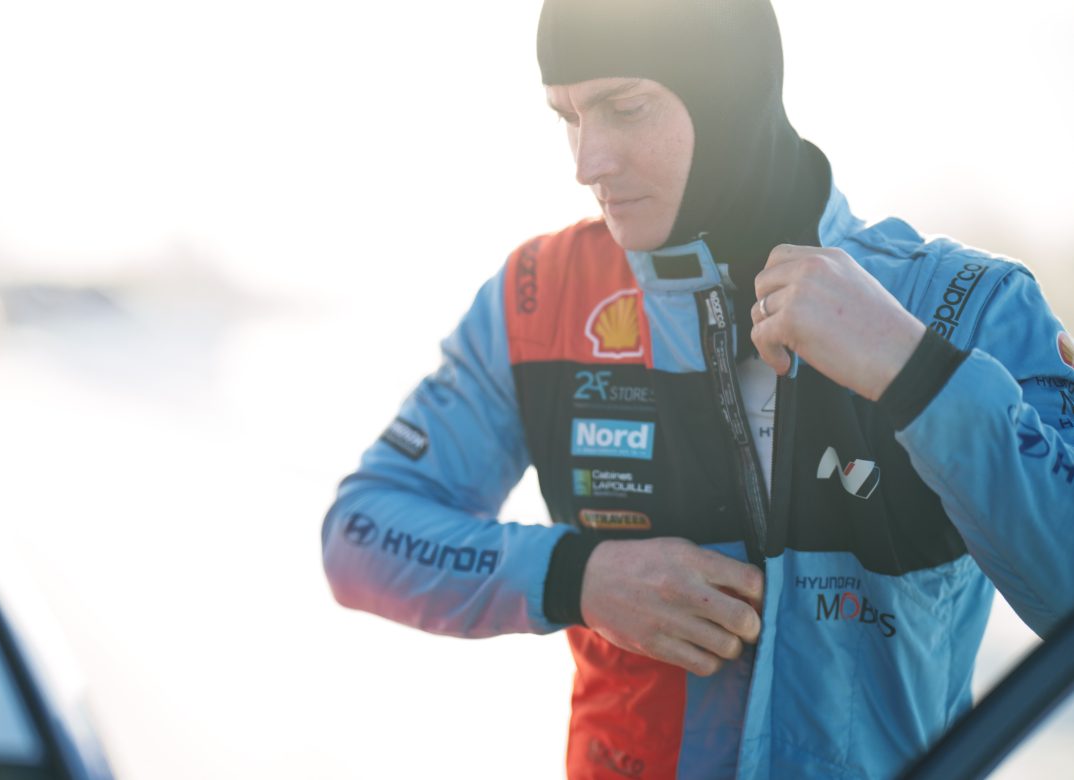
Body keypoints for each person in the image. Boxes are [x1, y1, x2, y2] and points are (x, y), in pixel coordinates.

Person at [321, 0, 1074, 777]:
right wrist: (577, 577)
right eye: (569, 117)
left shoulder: (962, 303)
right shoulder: (538, 297)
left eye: (625, 108)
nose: (588, 162)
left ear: (728, 90)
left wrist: (912, 371)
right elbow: (359, 534)